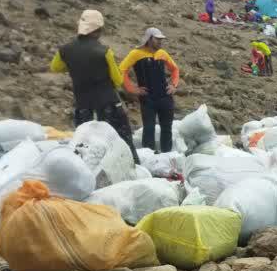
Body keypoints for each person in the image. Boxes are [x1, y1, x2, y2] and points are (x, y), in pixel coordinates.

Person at [50, 10, 139, 164]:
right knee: (122, 141)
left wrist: (74, 68)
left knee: (86, 147)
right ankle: (133, 167)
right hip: (108, 105)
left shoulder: (65, 50)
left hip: (83, 106)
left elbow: (55, 67)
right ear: (97, 30)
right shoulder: (104, 52)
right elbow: (118, 80)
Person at [119, 27, 180, 153]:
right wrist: (132, 89)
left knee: (167, 128)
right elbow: (121, 70)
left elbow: (175, 69)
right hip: (148, 98)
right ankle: (149, 157)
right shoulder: (136, 53)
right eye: (157, 39)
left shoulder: (162, 53)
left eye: (161, 39)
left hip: (165, 97)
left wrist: (174, 85)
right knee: (149, 129)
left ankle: (167, 156)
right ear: (149, 39)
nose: (160, 42)